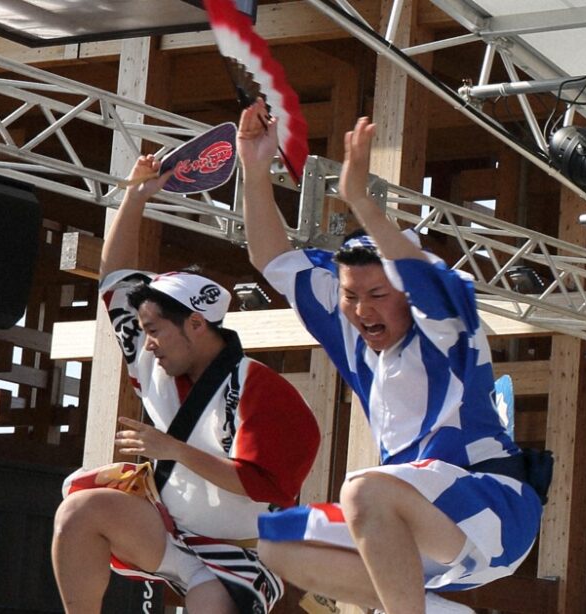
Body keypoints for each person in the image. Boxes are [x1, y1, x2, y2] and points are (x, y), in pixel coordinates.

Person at [235, 100, 544, 614]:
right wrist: (253, 164)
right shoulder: (350, 325)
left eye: (378, 295)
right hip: (420, 533)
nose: (360, 310)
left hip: (492, 509)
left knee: (362, 490)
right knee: (279, 544)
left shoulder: (447, 326)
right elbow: (272, 258)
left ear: (405, 293)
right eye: (351, 296)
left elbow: (420, 274)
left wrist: (358, 199)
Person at [51, 154, 321, 613]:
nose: (146, 343)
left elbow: (265, 487)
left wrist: (174, 450)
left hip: (243, 550)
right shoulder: (157, 357)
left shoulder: (261, 389)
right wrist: (136, 197)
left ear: (196, 324)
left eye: (154, 330)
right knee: (78, 513)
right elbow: (114, 280)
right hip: (166, 529)